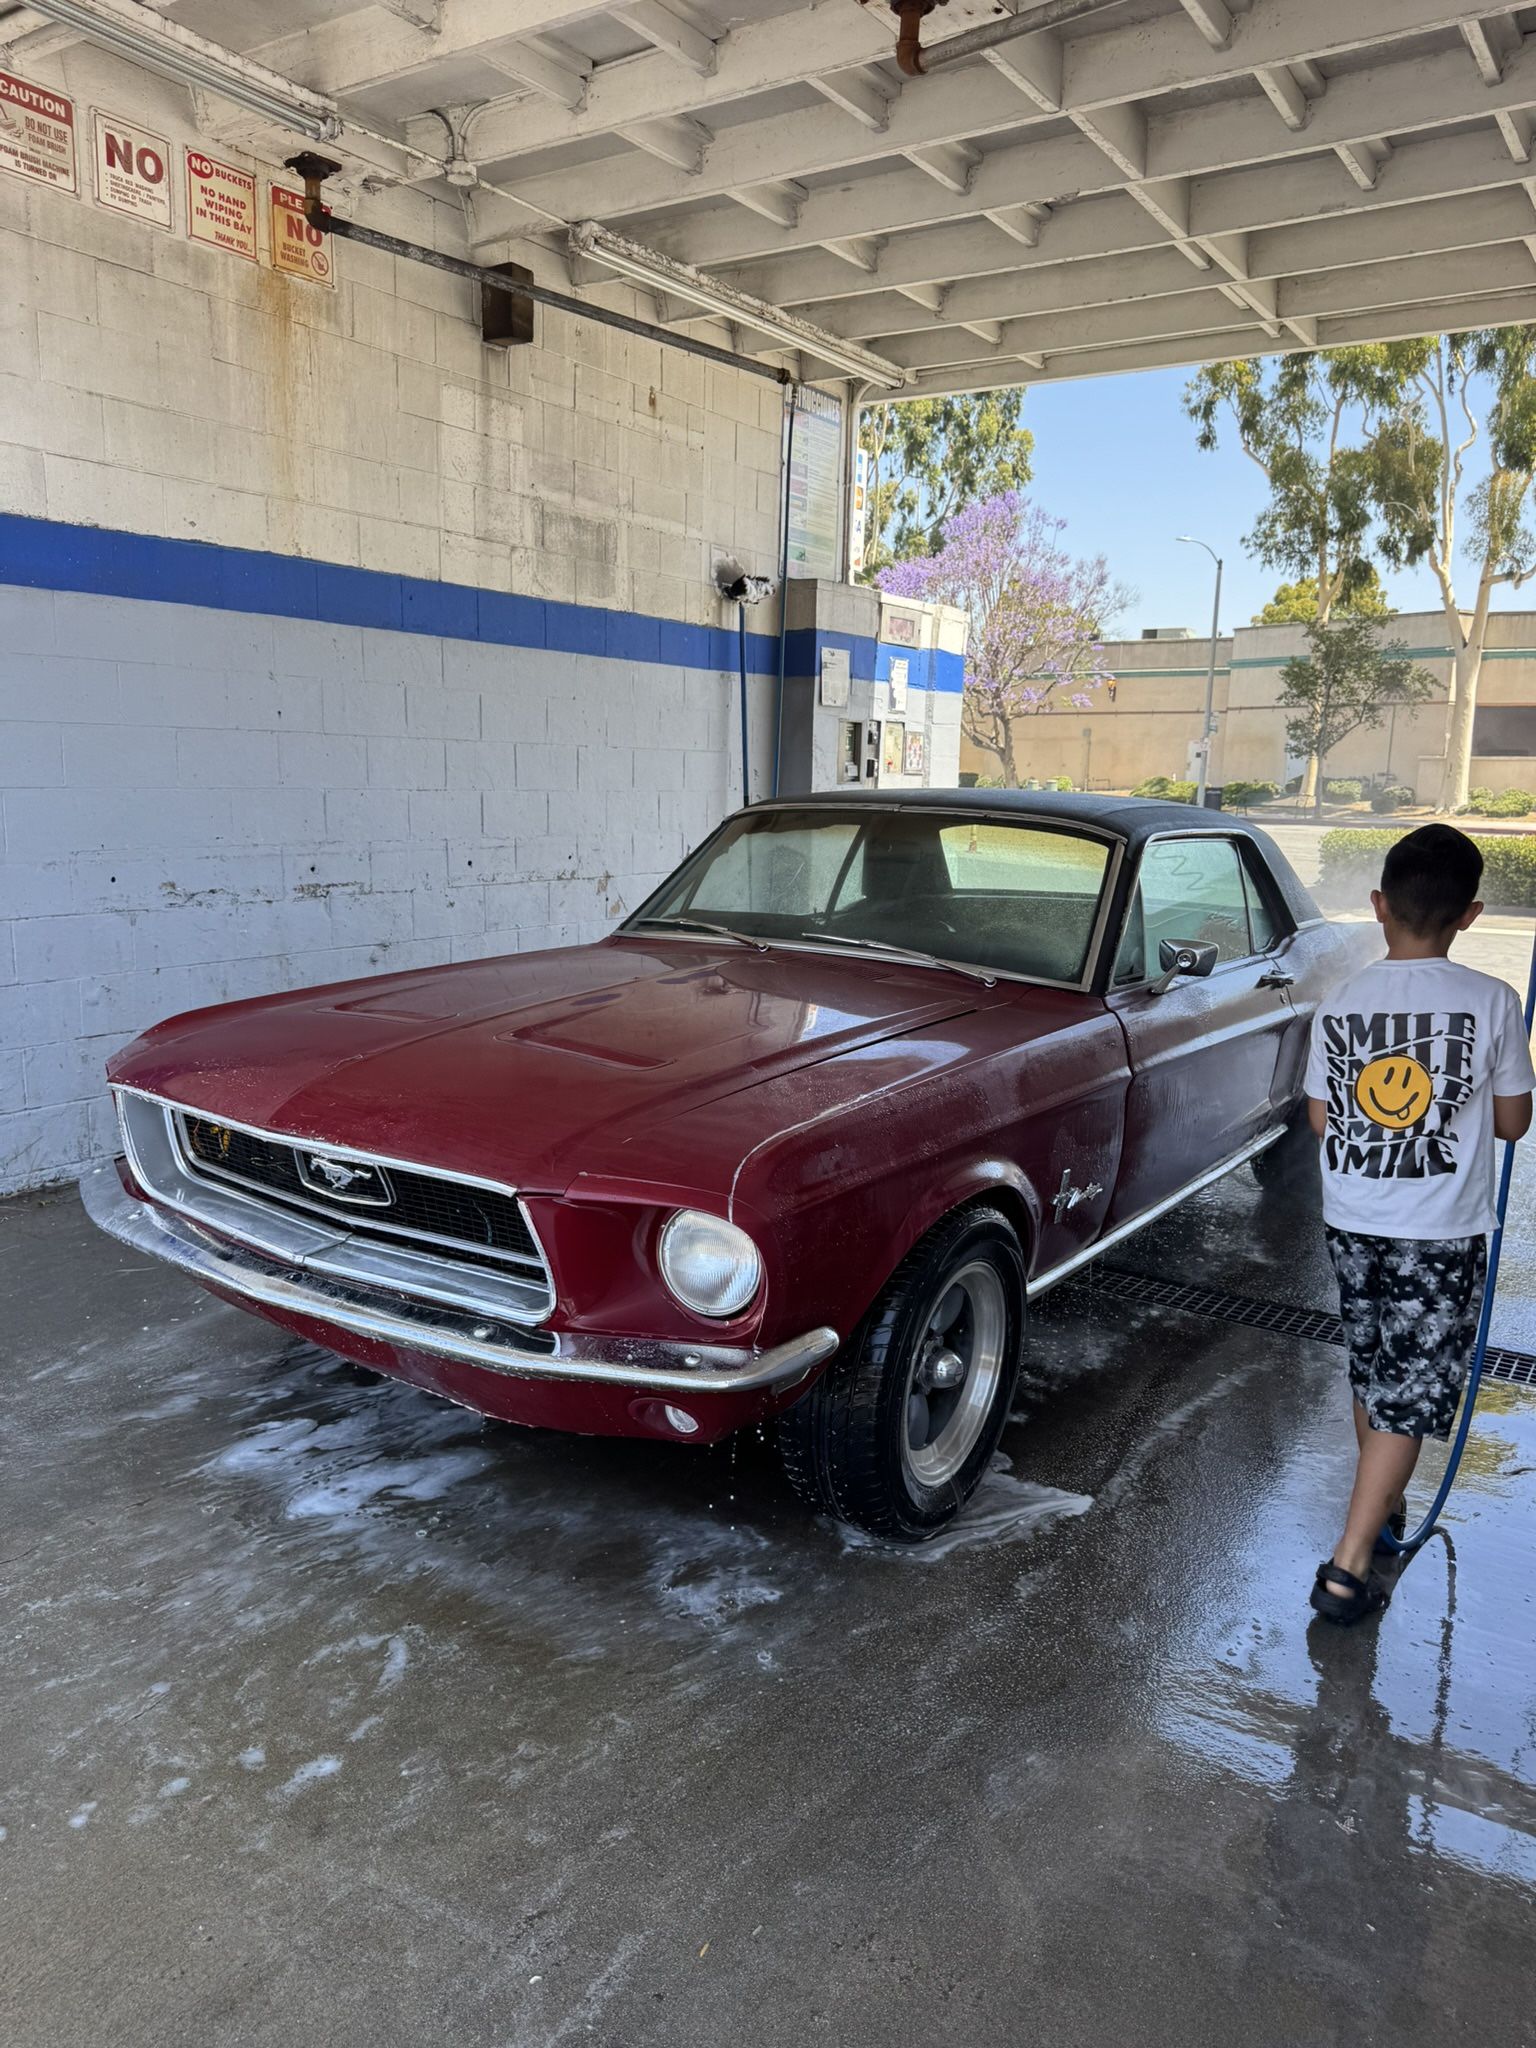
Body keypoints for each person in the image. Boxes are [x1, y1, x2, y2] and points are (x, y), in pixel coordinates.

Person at [1305, 823, 1534, 1624]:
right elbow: (1513, 1124)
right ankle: (1347, 1564)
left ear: (1378, 905)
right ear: (1469, 915)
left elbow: (1320, 1116)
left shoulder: (1342, 1002)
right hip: (1439, 1229)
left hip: (1354, 1217)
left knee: (1373, 1371)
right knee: (1411, 1388)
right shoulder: (1493, 1002)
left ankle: (1382, 1506)